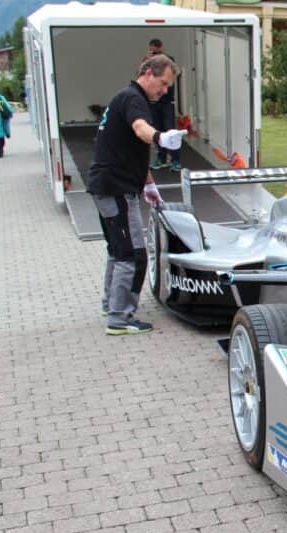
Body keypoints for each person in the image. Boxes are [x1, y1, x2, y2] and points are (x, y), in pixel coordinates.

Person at [86, 53, 187, 335]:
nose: (165, 90)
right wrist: (161, 137)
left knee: (116, 251)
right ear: (148, 74)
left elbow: (134, 151)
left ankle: (111, 305)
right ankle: (120, 318)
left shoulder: (128, 97)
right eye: (164, 84)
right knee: (133, 255)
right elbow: (141, 130)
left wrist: (150, 184)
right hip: (115, 188)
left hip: (108, 185)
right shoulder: (133, 99)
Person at [146, 38, 180, 173]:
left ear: (160, 48)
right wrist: (147, 59)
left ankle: (176, 160)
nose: (154, 52)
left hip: (167, 102)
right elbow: (142, 72)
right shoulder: (149, 62)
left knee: (170, 130)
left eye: (155, 49)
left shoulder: (169, 59)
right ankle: (161, 158)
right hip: (155, 101)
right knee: (158, 131)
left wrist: (160, 55)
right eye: (152, 50)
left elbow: (171, 68)